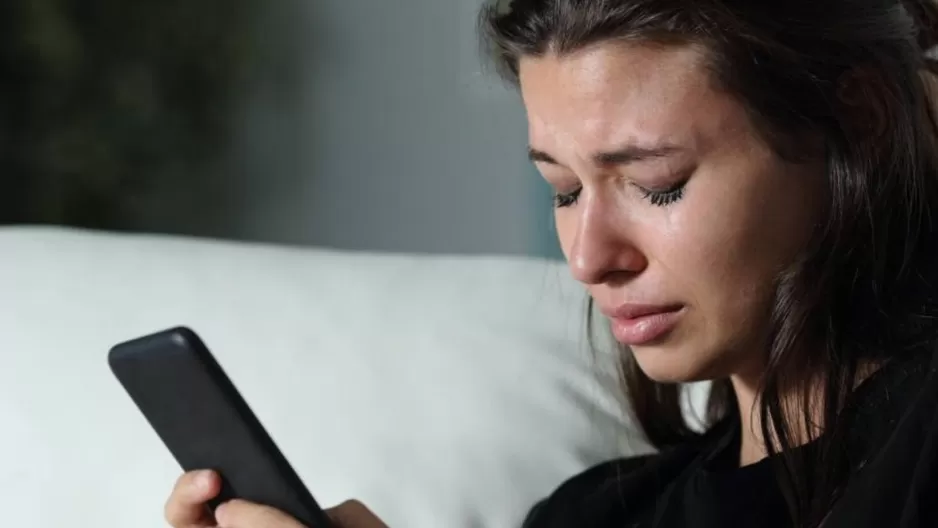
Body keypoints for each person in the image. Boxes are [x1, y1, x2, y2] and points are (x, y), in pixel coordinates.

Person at [164, 0, 938, 526]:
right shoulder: (590, 515)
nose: (588, 259)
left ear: (858, 125)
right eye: (563, 190)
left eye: (655, 185)